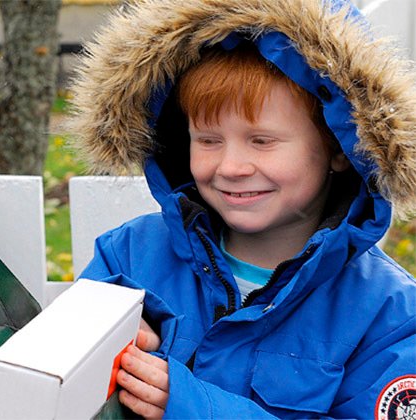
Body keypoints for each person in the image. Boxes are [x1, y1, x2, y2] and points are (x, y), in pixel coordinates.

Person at [68, 0, 416, 418]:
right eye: (208, 140)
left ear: (340, 149)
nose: (231, 167)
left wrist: (192, 406)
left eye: (262, 141)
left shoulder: (388, 313)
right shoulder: (127, 258)